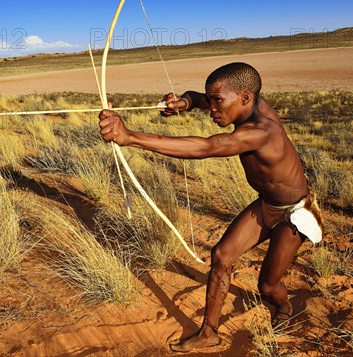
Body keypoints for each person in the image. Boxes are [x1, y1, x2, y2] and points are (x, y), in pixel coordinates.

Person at [99, 62, 322, 352]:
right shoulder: (245, 101)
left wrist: (130, 137)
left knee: (267, 286)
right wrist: (186, 102)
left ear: (245, 98)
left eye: (218, 102)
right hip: (267, 205)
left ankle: (285, 306)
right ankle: (209, 333)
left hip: (294, 213)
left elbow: (207, 147)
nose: (212, 108)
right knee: (221, 255)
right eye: (210, 100)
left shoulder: (263, 131)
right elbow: (201, 97)